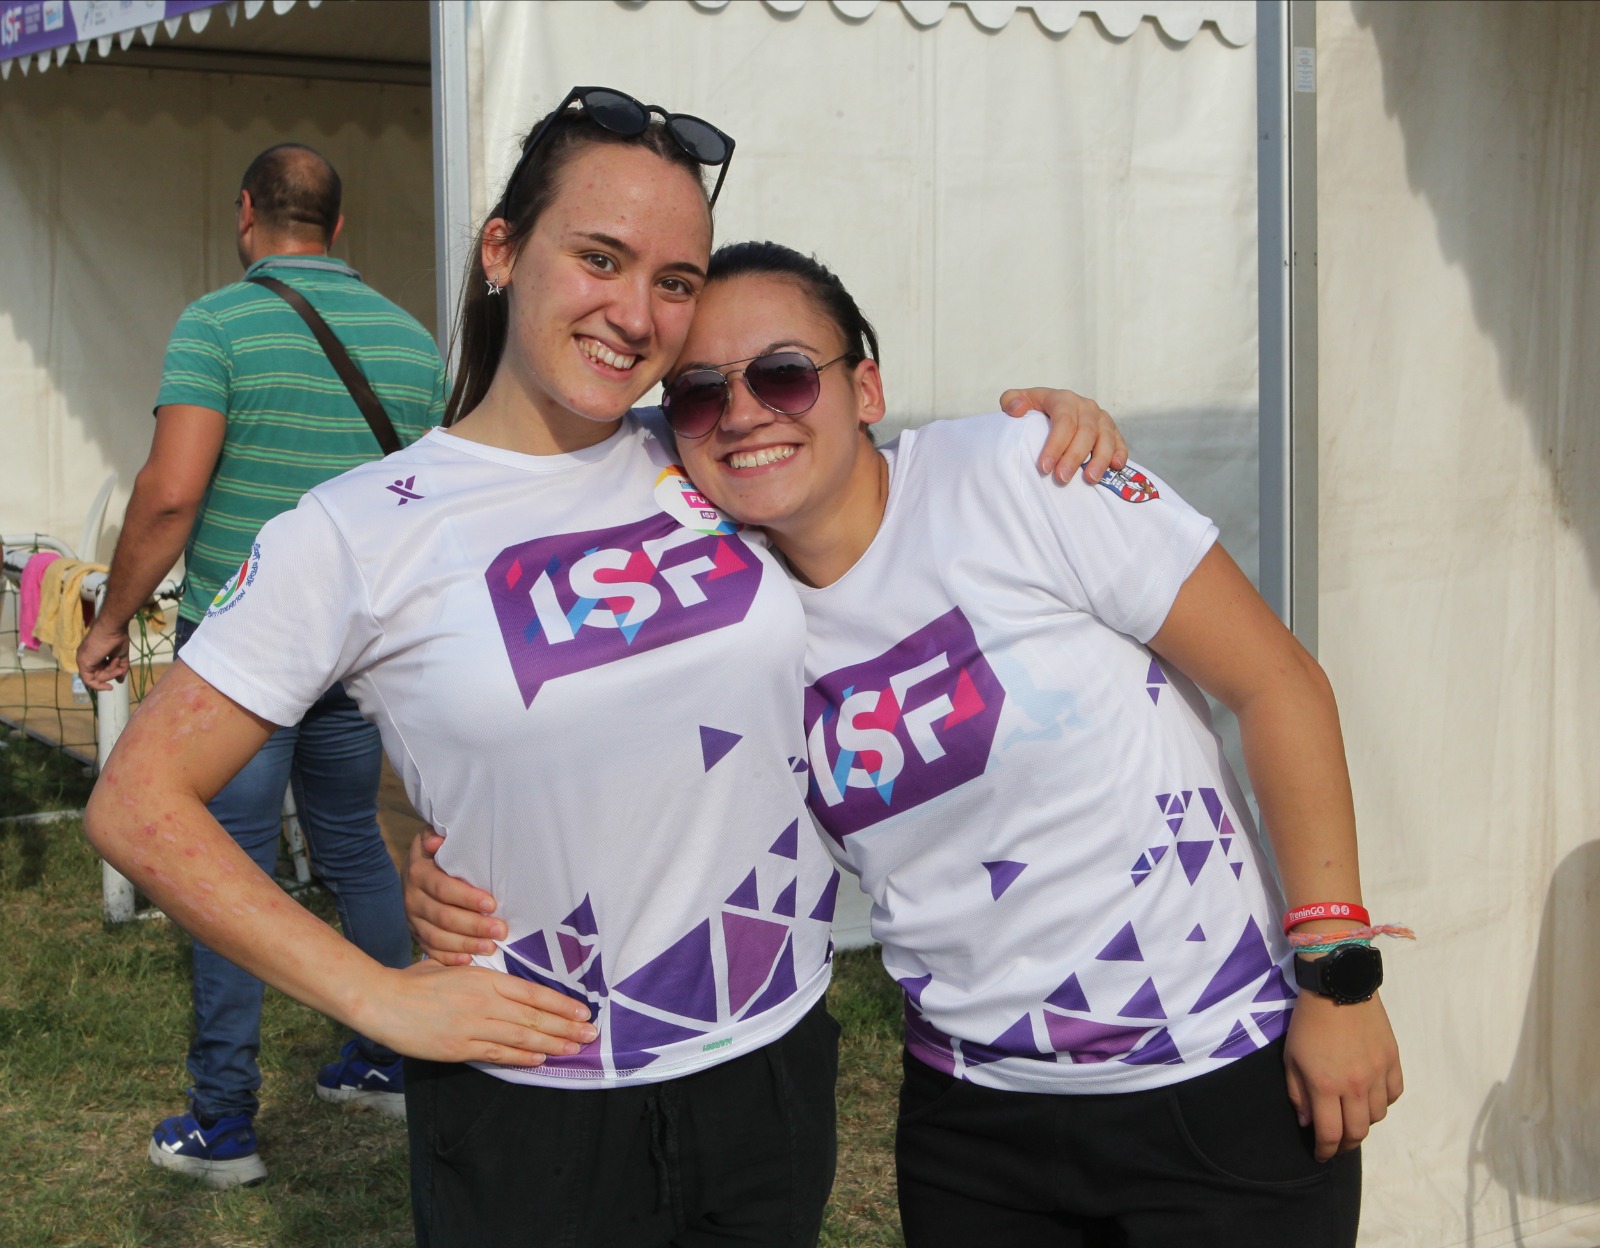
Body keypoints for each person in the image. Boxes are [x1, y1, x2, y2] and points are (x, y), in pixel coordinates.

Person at [84, 89, 1123, 1243]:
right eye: (598, 258)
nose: (634, 314)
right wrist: (374, 996)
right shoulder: (359, 529)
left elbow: (884, 487)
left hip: (768, 1064)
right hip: (534, 1105)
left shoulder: (711, 445)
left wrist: (1040, 437)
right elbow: (137, 801)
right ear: (501, 251)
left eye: (675, 280)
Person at [409, 240, 1405, 1247]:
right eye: (701, 394)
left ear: (867, 389)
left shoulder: (1020, 474)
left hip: (1216, 1078)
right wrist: (455, 874)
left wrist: (1336, 972)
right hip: (975, 1124)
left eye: (785, 374)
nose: (743, 413)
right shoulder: (722, 617)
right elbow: (606, 779)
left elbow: (1276, 683)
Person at [76, 143, 445, 1188]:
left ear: (247, 213)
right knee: (354, 843)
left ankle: (224, 1123)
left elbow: (170, 493)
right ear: (339, 225)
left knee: (224, 867)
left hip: (238, 657)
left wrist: (112, 616)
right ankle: (387, 1059)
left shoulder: (217, 324)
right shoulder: (412, 340)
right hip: (356, 648)